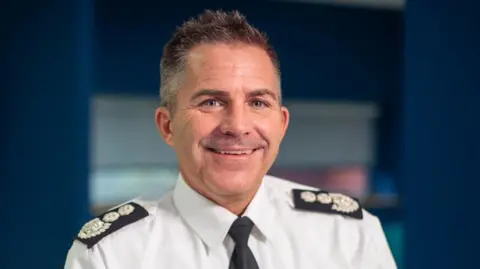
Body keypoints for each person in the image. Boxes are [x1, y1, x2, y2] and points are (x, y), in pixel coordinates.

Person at [64, 9, 397, 269]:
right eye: (211, 102)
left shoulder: (351, 235)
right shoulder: (110, 255)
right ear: (167, 126)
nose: (238, 126)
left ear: (281, 125)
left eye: (258, 102)